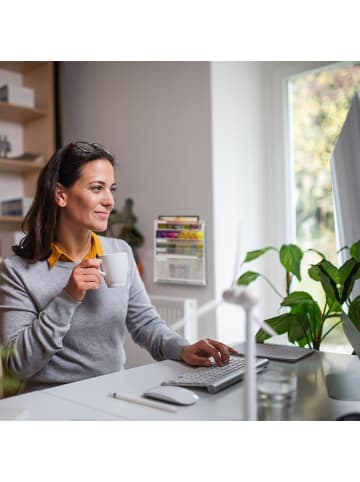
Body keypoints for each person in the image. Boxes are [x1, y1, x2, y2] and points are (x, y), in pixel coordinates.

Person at [0, 141, 237, 393]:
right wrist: (67, 298)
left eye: (111, 189)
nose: (110, 201)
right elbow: (17, 365)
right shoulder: (16, 271)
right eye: (97, 188)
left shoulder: (118, 251)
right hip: (51, 402)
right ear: (61, 194)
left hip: (113, 394)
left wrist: (183, 349)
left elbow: (145, 324)